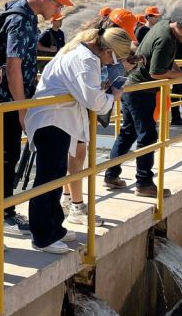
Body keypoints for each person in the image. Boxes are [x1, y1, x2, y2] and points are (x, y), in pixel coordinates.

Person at [26, 27, 132, 252]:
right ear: (108, 51)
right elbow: (93, 100)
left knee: (55, 176)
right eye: (115, 58)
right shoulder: (84, 60)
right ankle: (42, 236)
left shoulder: (80, 53)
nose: (110, 64)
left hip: (59, 119)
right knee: (48, 179)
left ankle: (55, 228)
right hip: (52, 119)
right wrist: (113, 96)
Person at [0, 0, 70, 235]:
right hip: (8, 100)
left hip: (11, 98)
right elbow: (13, 70)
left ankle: (4, 210)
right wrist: (23, 109)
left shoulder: (25, 16)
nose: (59, 11)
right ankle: (1, 214)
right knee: (6, 156)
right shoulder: (21, 20)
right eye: (58, 5)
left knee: (8, 155)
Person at [105, 12, 182, 195]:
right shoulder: (166, 39)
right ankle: (144, 183)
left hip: (131, 86)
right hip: (141, 90)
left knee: (128, 132)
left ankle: (111, 174)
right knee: (148, 136)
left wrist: (177, 70)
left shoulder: (165, 25)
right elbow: (156, 72)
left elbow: (165, 60)